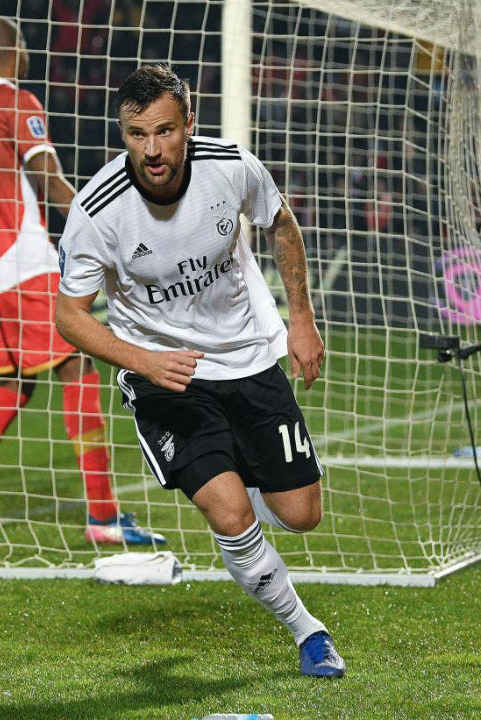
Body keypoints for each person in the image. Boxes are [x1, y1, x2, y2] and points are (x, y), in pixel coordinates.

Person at [54, 65, 345, 677]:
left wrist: (301, 318)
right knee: (230, 513)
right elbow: (69, 316)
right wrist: (144, 362)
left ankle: (241, 478)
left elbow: (280, 222)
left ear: (189, 122)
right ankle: (308, 631)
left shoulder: (231, 166)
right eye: (136, 134)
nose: (151, 150)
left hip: (246, 357)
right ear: (123, 133)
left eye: (164, 131)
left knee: (301, 515)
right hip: (166, 379)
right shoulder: (97, 210)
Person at [0, 17, 163, 546]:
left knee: (16, 384)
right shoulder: (19, 103)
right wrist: (103, 226)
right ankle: (103, 517)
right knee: (80, 368)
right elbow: (47, 178)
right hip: (21, 262)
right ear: (16, 51)